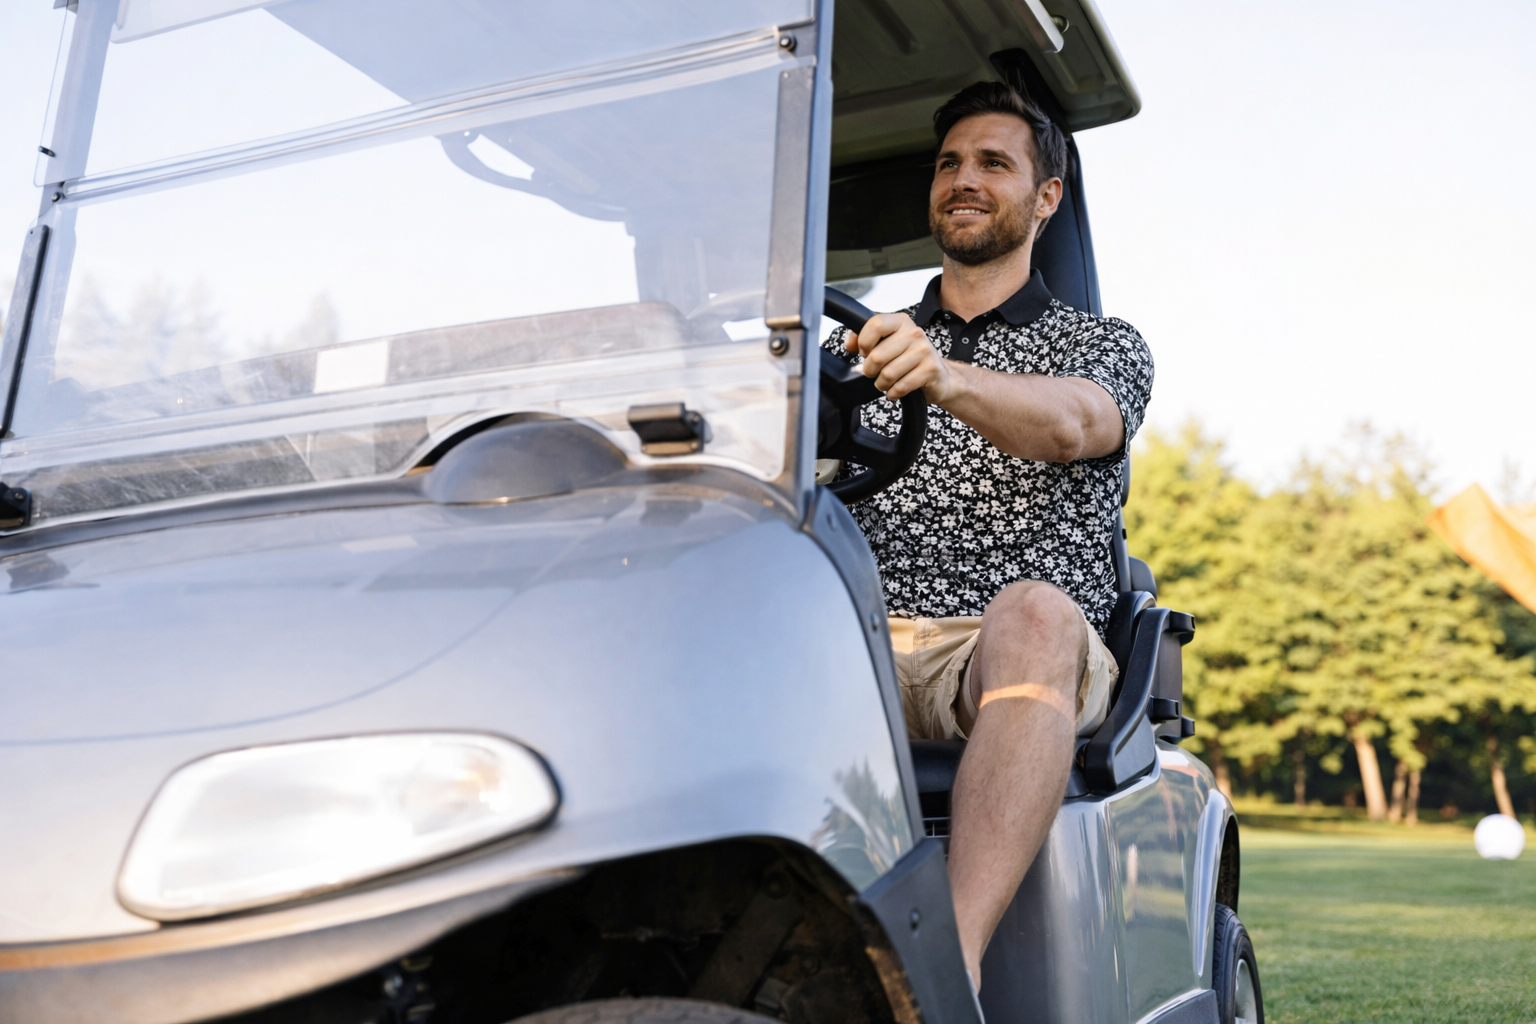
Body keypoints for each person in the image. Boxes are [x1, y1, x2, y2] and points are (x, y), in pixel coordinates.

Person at [822, 82, 1154, 991]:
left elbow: (1073, 425)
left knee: (1036, 614)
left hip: (1006, 658)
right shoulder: (861, 349)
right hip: (860, 652)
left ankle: (942, 978)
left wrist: (941, 377)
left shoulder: (1102, 345)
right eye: (949, 164)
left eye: (994, 163)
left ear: (1046, 197)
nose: (964, 179)